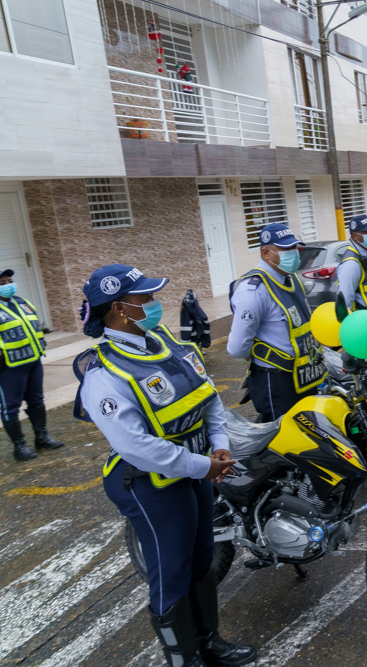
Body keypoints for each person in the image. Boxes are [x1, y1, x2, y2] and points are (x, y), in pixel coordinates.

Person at [75, 264, 255, 667]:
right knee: (171, 570)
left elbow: (207, 398)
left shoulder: (163, 341)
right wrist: (202, 465)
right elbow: (136, 447)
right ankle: (184, 659)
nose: (154, 304)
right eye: (145, 299)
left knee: (202, 559)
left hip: (196, 470)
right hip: (149, 483)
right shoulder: (104, 374)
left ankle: (210, 644)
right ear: (120, 309)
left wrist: (220, 447)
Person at [228, 223, 326, 423]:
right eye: (287, 249)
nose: (294, 254)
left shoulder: (290, 279)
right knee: (283, 441)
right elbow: (237, 347)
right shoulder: (253, 290)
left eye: (294, 248)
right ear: (266, 253)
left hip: (304, 375)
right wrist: (255, 353)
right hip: (276, 380)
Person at [0, 268, 64, 461]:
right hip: (8, 367)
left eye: (9, 281)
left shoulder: (22, 302)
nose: (8, 285)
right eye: (2, 283)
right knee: (10, 406)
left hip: (33, 361)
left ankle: (42, 437)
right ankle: (19, 447)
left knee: (37, 399)